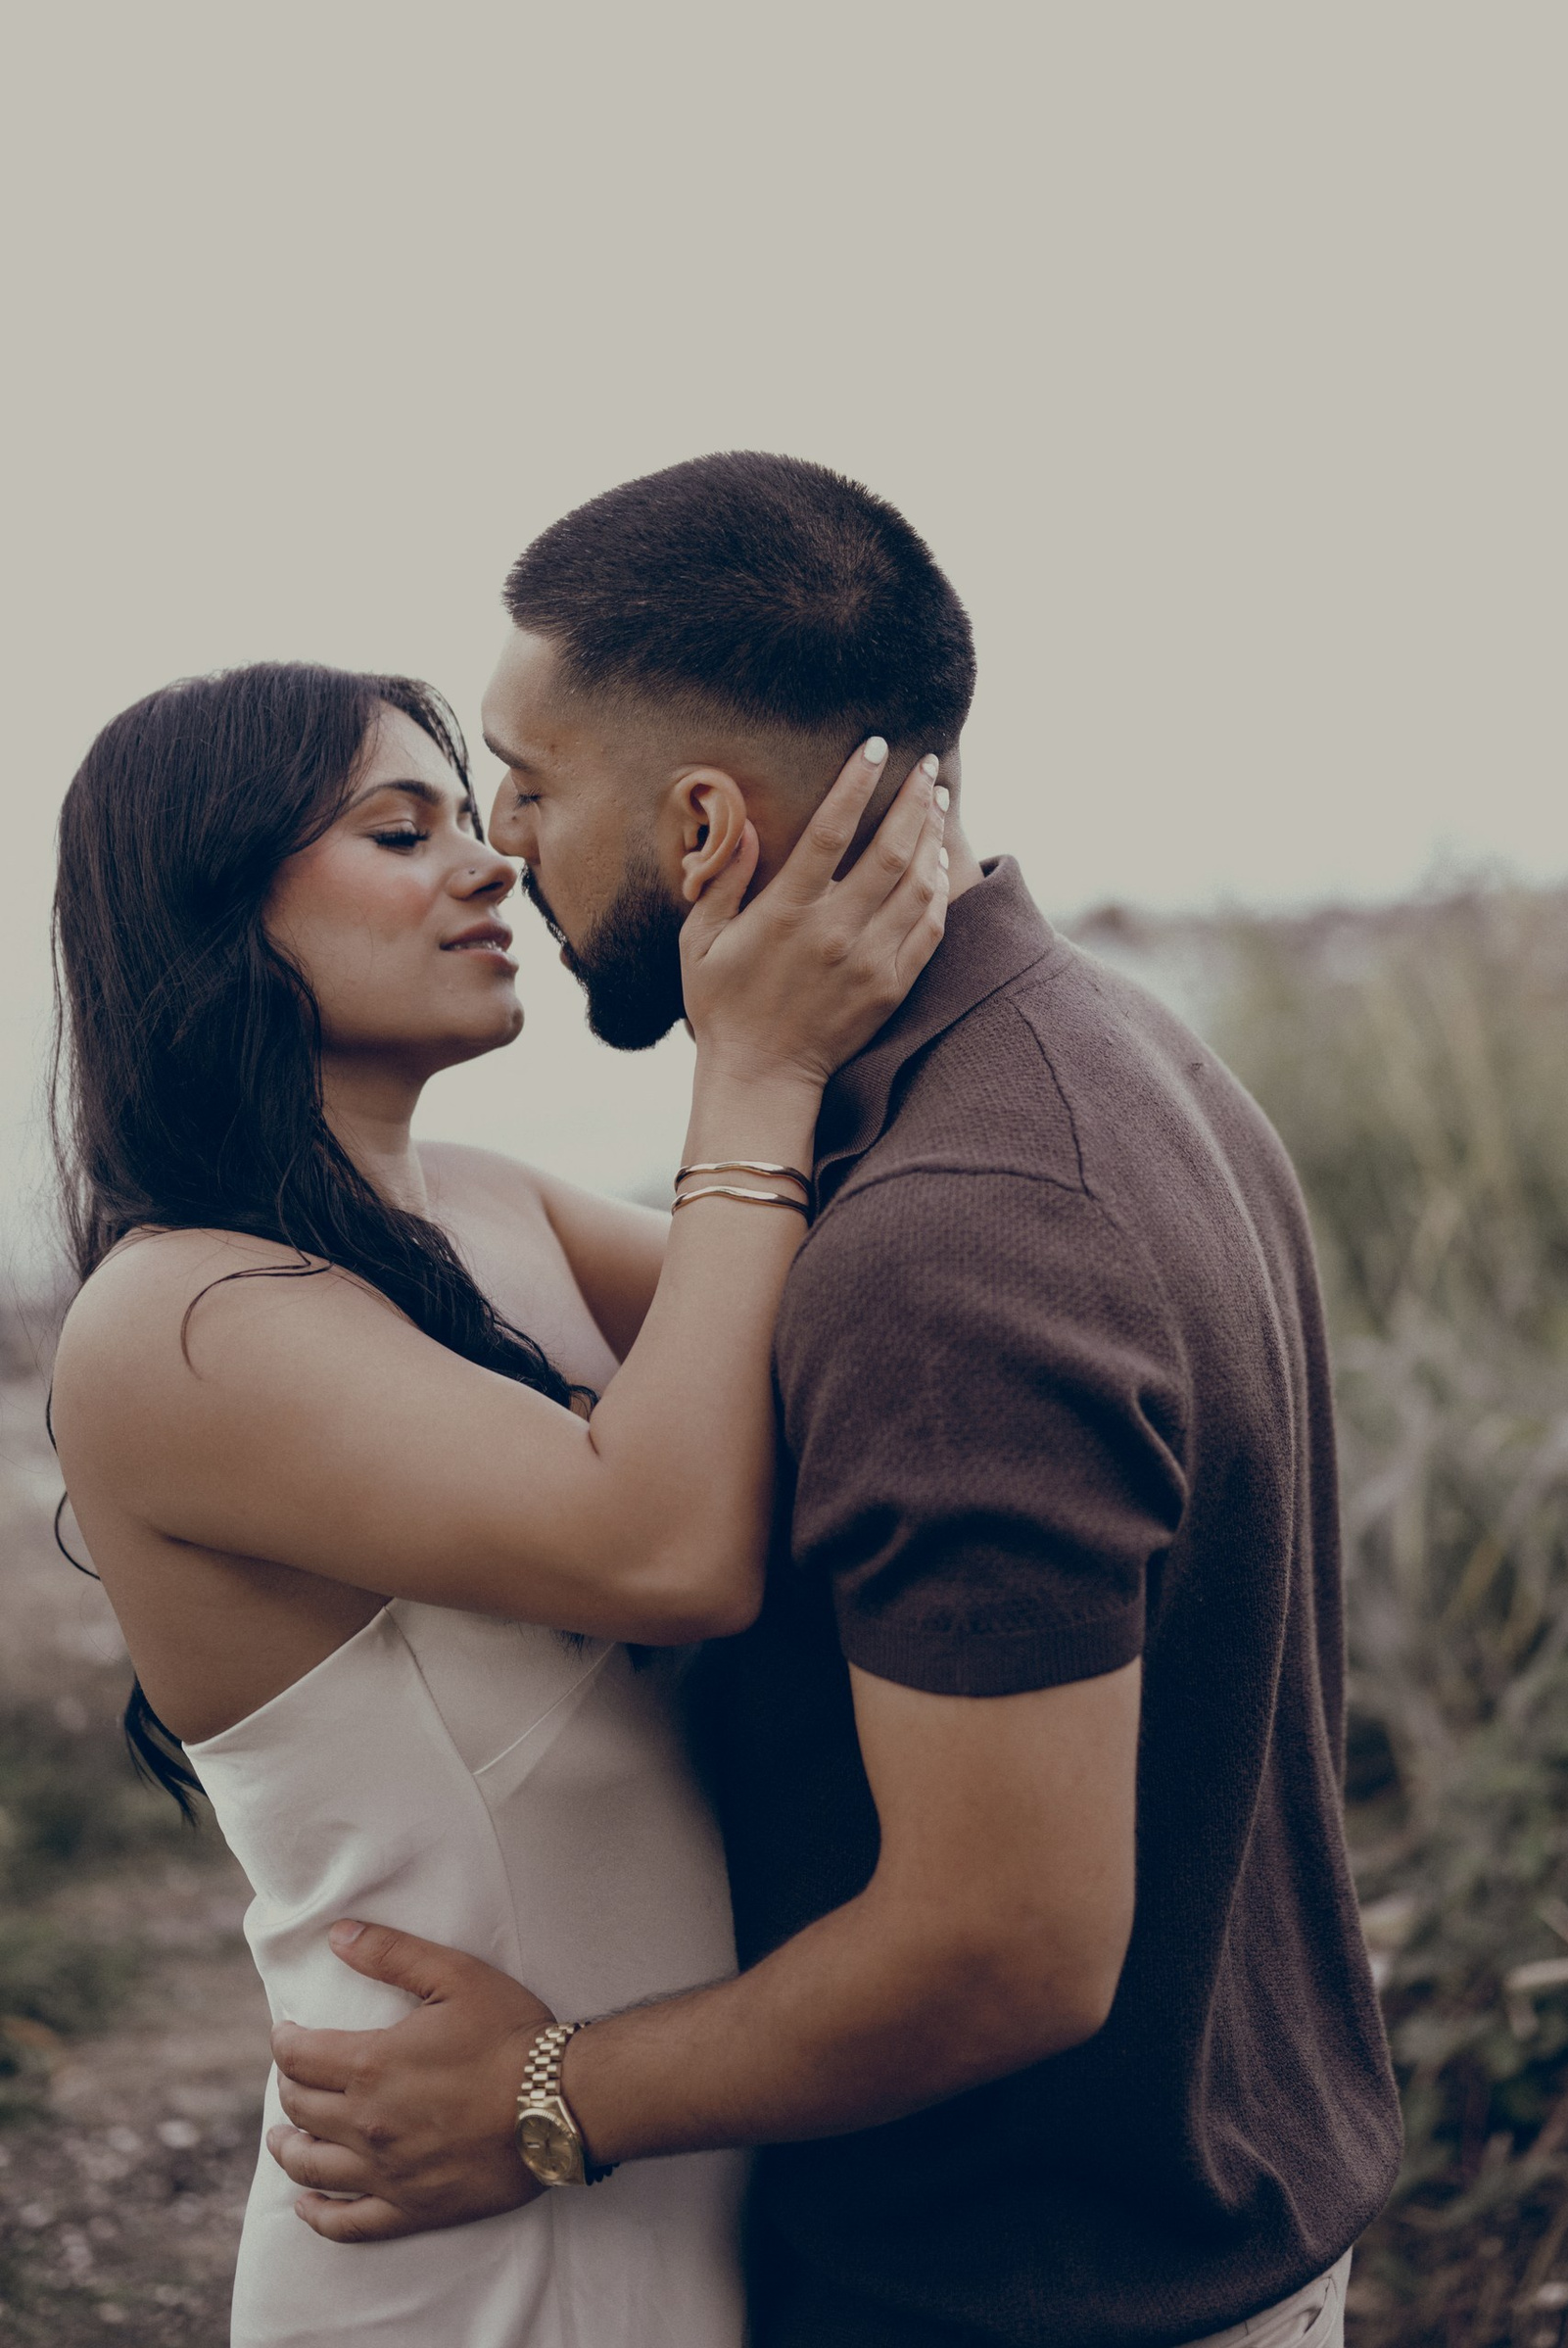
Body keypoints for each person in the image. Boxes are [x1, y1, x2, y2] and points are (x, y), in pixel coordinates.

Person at [265, 453, 1403, 2348]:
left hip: (1027, 2291)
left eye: (528, 785)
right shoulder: (1112, 1048)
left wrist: (545, 2096)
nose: (505, 847)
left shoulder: (955, 1244)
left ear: (703, 824)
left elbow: (1005, 1945)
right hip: (1196, 2228)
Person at [48, 655, 948, 2347]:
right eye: (403, 832)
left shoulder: (483, 1206)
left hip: (641, 2166)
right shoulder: (176, 1317)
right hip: (458, 2247)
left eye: (475, 817)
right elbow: (670, 1549)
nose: (492, 865)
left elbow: (841, 1343)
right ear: (215, 908)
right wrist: (756, 1065)